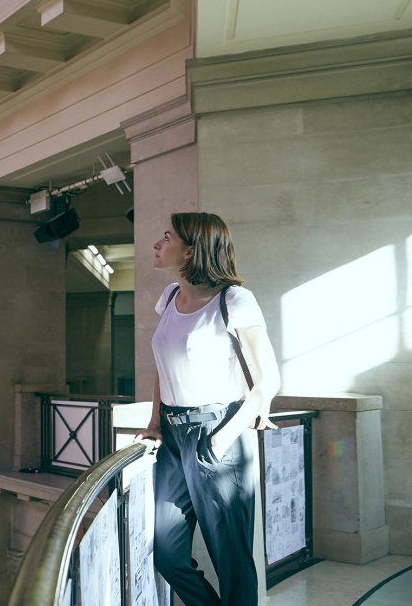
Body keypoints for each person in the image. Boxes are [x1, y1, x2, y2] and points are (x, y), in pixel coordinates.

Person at [135, 212, 281, 606]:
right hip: (172, 435)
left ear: (192, 250)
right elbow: (164, 367)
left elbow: (269, 380)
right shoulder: (168, 299)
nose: (157, 244)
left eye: (166, 237)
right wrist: (153, 423)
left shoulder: (234, 299)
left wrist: (222, 439)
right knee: (167, 553)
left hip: (219, 433)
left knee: (231, 562)